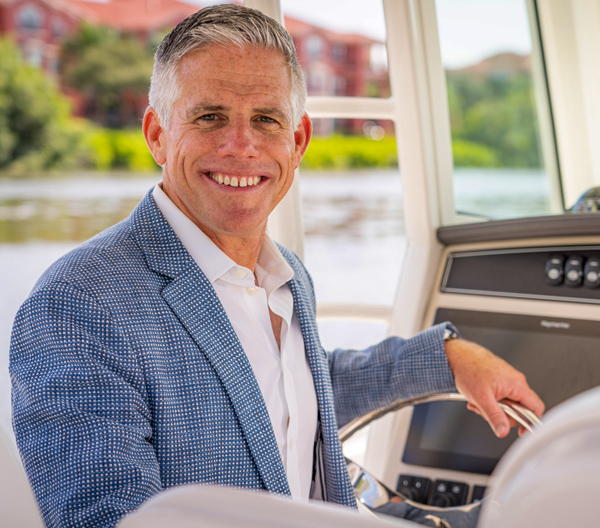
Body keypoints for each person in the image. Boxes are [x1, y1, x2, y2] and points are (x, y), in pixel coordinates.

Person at [10, 5, 544, 528]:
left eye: (266, 120)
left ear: (298, 141)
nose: (241, 146)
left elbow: (291, 395)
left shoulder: (288, 276)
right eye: (209, 116)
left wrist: (449, 357)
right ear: (157, 134)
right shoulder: (77, 304)